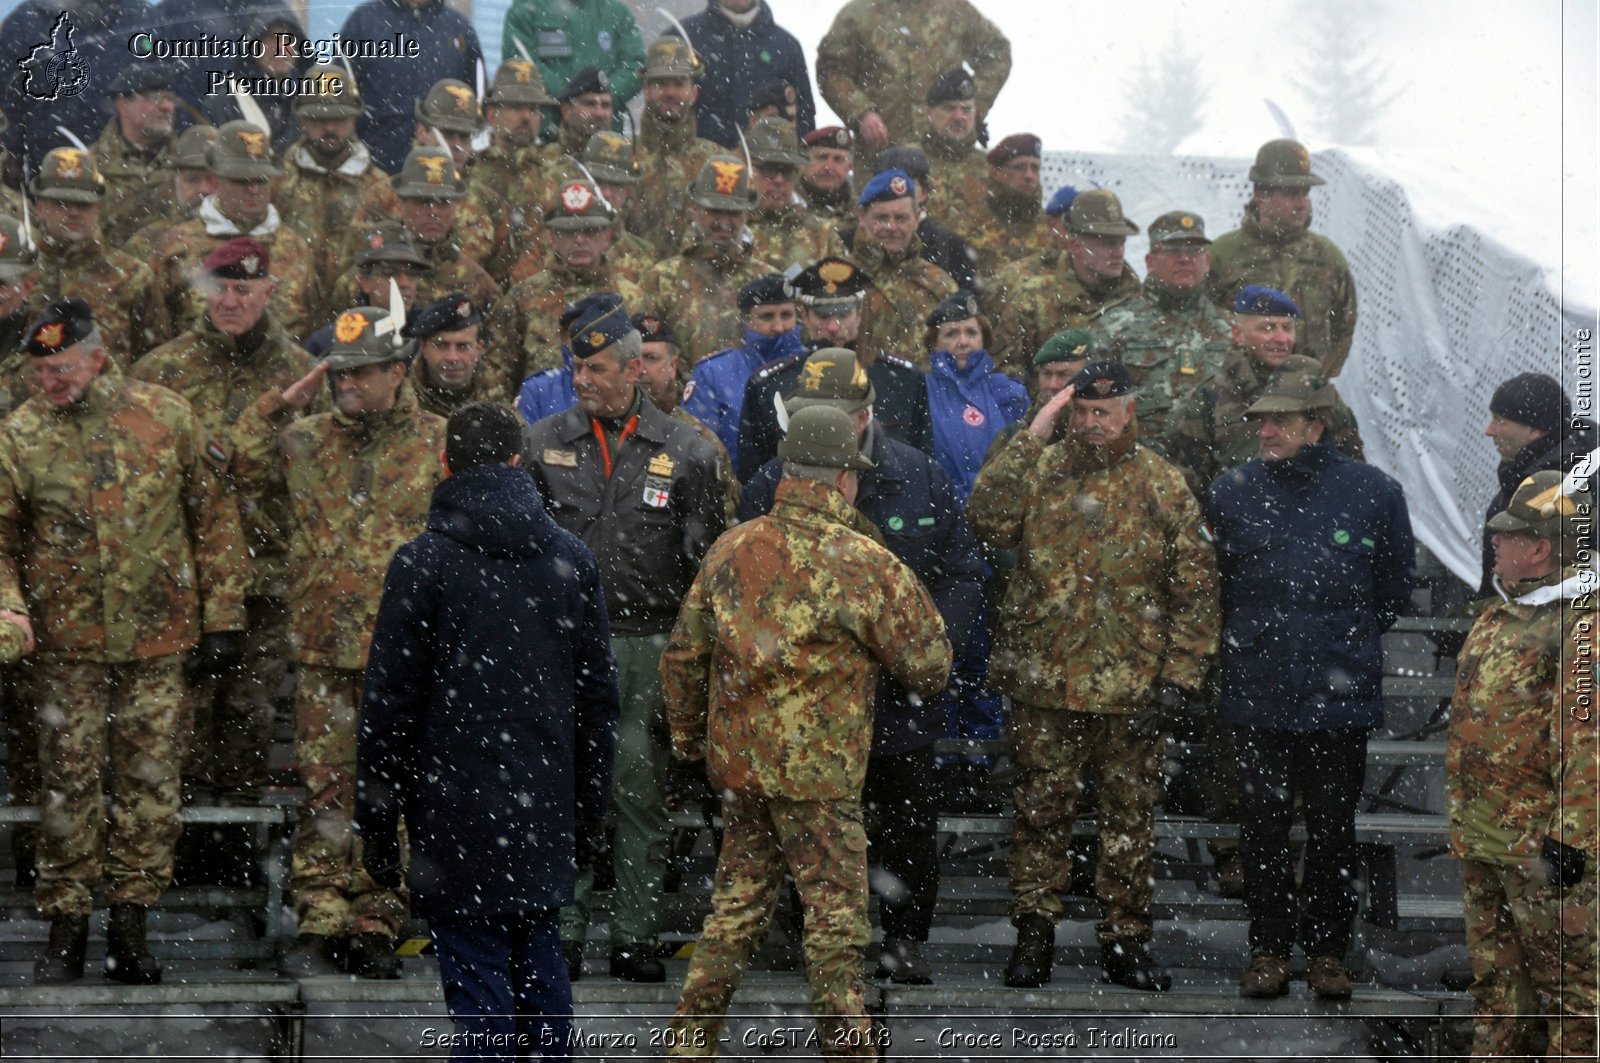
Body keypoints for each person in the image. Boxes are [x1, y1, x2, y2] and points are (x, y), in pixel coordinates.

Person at [661, 403, 952, 1053]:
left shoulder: (731, 548)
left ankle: (689, 1039)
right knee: (836, 921)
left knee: (734, 909)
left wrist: (689, 742)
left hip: (742, 769)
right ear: (844, 479)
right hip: (821, 774)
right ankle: (847, 1048)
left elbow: (683, 655)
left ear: (790, 470)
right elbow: (931, 662)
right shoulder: (863, 561)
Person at [358, 401, 620, 1060]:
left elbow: (388, 705)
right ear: (518, 461)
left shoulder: (423, 562)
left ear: (445, 462)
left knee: (479, 999)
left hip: (455, 815)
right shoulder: (570, 559)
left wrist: (377, 819)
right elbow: (598, 702)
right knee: (542, 982)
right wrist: (589, 811)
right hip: (540, 803)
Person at [4, 299, 248, 985]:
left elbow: (213, 514)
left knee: (150, 788)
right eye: (39, 370)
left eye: (61, 367)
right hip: (65, 648)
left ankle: (132, 925)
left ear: (98, 357)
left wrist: (223, 614)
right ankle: (66, 925)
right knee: (67, 787)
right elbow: (1, 540)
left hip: (157, 641)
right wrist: (9, 609)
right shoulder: (20, 435)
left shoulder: (165, 416)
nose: (49, 382)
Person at [968, 359, 1218, 992]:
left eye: (1104, 411)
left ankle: (1126, 940)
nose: (1092, 422)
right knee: (1039, 815)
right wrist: (1034, 434)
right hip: (1045, 684)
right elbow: (986, 517)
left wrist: (1179, 678)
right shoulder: (1041, 469)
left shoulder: (1162, 483)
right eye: (1081, 410)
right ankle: (1033, 936)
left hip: (1130, 689)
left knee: (1129, 821)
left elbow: (1195, 587)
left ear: (1130, 411)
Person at [740, 349, 982, 980]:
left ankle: (905, 939)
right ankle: (810, 940)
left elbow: (960, 572)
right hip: (809, 697)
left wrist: (931, 650)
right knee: (807, 824)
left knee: (905, 824)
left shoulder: (919, 475)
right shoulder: (770, 484)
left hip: (899, 695)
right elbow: (745, 585)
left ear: (867, 414)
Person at [521, 293, 732, 983]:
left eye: (599, 370)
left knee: (641, 793)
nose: (584, 382)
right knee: (566, 792)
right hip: (565, 641)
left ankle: (636, 936)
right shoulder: (542, 441)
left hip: (649, 643)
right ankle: (567, 931)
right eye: (578, 370)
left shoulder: (690, 450)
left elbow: (708, 565)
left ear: (637, 368)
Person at [233, 303, 447, 979]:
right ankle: (321, 913)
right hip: (325, 646)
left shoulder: (436, 442)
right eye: (337, 374)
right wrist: (283, 396)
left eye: (359, 374)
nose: (345, 386)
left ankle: (378, 916)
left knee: (400, 791)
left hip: (407, 651)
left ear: (397, 372)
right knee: (325, 787)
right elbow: (232, 458)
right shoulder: (303, 438)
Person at [1206, 367, 1414, 1000]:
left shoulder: (1373, 492)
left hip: (1337, 693)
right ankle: (1268, 948)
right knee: (1262, 828)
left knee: (1332, 829)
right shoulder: (1231, 491)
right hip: (1257, 687)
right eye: (1261, 421)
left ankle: (1328, 952)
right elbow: (1213, 584)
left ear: (1316, 427)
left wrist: (1335, 645)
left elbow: (1392, 588)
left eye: (1282, 421)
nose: (1267, 431)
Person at [130, 239, 316, 816]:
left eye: (244, 289)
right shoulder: (162, 370)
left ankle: (233, 844)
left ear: (271, 291)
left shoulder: (301, 374)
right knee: (180, 714)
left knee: (248, 715)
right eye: (220, 288)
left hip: (265, 568)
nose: (230, 301)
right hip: (183, 572)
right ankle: (181, 845)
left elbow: (310, 474)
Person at [1448, 469, 1597, 1059]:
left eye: (1507, 535)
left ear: (1540, 548)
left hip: (1544, 850)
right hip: (1484, 837)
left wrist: (1571, 839)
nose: (1494, 541)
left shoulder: (1580, 624)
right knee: (1498, 993)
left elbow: (1588, 743)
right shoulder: (1499, 615)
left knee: (1573, 996)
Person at [737, 256, 933, 480]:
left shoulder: (903, 379)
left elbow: (924, 467)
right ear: (805, 316)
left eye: (843, 314)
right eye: (823, 315)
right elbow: (754, 476)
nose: (833, 326)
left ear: (859, 314)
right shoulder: (770, 384)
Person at [1162, 285, 1364, 499]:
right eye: (1267, 328)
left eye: (1287, 327)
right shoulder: (1211, 396)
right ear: (1238, 334)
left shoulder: (1316, 390)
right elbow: (1186, 488)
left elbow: (1353, 470)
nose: (1281, 338)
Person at [149, 121, 320, 343]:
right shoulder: (177, 246)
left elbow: (313, 330)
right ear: (215, 178)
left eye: (261, 179)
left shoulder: (295, 247)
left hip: (281, 374)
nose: (254, 189)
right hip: (199, 374)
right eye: (242, 180)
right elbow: (155, 336)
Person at [1207, 139, 1358, 375]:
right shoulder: (1222, 255)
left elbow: (1344, 328)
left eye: (1305, 193)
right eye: (1290, 193)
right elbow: (1201, 324)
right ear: (1261, 196)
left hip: (1305, 398)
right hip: (1239, 398)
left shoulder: (1326, 255)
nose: (1301, 204)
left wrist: (1317, 379)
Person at [1095, 210, 1232, 437]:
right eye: (1173, 250)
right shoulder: (1114, 326)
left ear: (1207, 261)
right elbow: (1096, 407)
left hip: (1216, 466)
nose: (1185, 258)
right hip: (1142, 463)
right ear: (1149, 262)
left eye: (1194, 250)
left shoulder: (1232, 328)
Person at [816, 0, 1010, 155]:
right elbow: (831, 70)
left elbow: (997, 52)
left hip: (948, 154)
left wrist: (971, 105)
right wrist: (862, 113)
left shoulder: (955, 9)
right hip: (883, 152)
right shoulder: (859, 13)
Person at [636, 156, 780, 363]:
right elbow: (646, 357)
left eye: (733, 213)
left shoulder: (768, 280)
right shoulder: (661, 280)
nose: (723, 221)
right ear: (694, 210)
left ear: (747, 215)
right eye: (714, 211)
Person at [27, 146, 166, 362]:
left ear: (98, 208)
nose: (73, 212)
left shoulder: (132, 276)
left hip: (108, 393)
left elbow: (151, 358)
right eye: (62, 203)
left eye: (83, 204)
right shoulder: (18, 270)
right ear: (40, 208)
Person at [990, 189, 1140, 376]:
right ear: (1076, 247)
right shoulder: (1035, 298)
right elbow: (1004, 374)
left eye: (1121, 242)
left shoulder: (1136, 299)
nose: (1118, 252)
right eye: (1108, 243)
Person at [1479, 373, 1598, 595]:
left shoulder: (1571, 489)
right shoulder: (1520, 478)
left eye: (1500, 420)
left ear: (1535, 430)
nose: (1489, 431)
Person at [339, 0, 484, 173]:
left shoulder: (459, 29)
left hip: (440, 180)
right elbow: (340, 99)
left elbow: (477, 108)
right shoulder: (363, 23)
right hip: (374, 175)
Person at [683, 273, 803, 463]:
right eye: (767, 317)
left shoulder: (813, 364)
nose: (779, 327)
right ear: (747, 320)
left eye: (786, 315)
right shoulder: (714, 373)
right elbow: (695, 445)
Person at [845, 168, 957, 369]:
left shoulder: (939, 283)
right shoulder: (839, 278)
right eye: (881, 218)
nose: (891, 227)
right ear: (862, 216)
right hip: (857, 396)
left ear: (915, 218)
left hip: (925, 397)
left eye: (901, 219)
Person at [673, 0, 816, 149]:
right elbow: (658, 109)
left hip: (766, 165)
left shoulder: (786, 47)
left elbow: (804, 121)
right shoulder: (683, 38)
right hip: (695, 165)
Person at [501, 0, 645, 139]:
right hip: (547, 135)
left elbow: (636, 66)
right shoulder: (527, 9)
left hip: (604, 141)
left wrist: (600, 98)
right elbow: (520, 64)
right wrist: (569, 96)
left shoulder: (617, 12)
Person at [89, 64, 179, 247]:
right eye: (154, 98)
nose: (166, 106)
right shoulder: (89, 165)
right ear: (123, 105)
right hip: (113, 271)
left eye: (170, 98)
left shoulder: (191, 160)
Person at [960, 133, 1051, 280]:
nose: (1029, 176)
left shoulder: (1050, 228)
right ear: (996, 172)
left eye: (1035, 168)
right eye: (1020, 167)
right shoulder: (968, 224)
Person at [404, 294, 498, 416]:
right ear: (423, 347)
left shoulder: (500, 398)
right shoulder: (401, 403)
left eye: (462, 346)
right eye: (442, 345)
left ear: (478, 348)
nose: (452, 357)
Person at [917, 70, 989, 225]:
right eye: (949, 108)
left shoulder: (989, 168)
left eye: (966, 109)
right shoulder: (906, 162)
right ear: (929, 112)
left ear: (975, 112)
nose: (958, 117)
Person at [799, 126, 856, 220]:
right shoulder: (785, 204)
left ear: (849, 167)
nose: (828, 167)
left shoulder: (860, 214)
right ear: (802, 162)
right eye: (822, 157)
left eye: (838, 159)